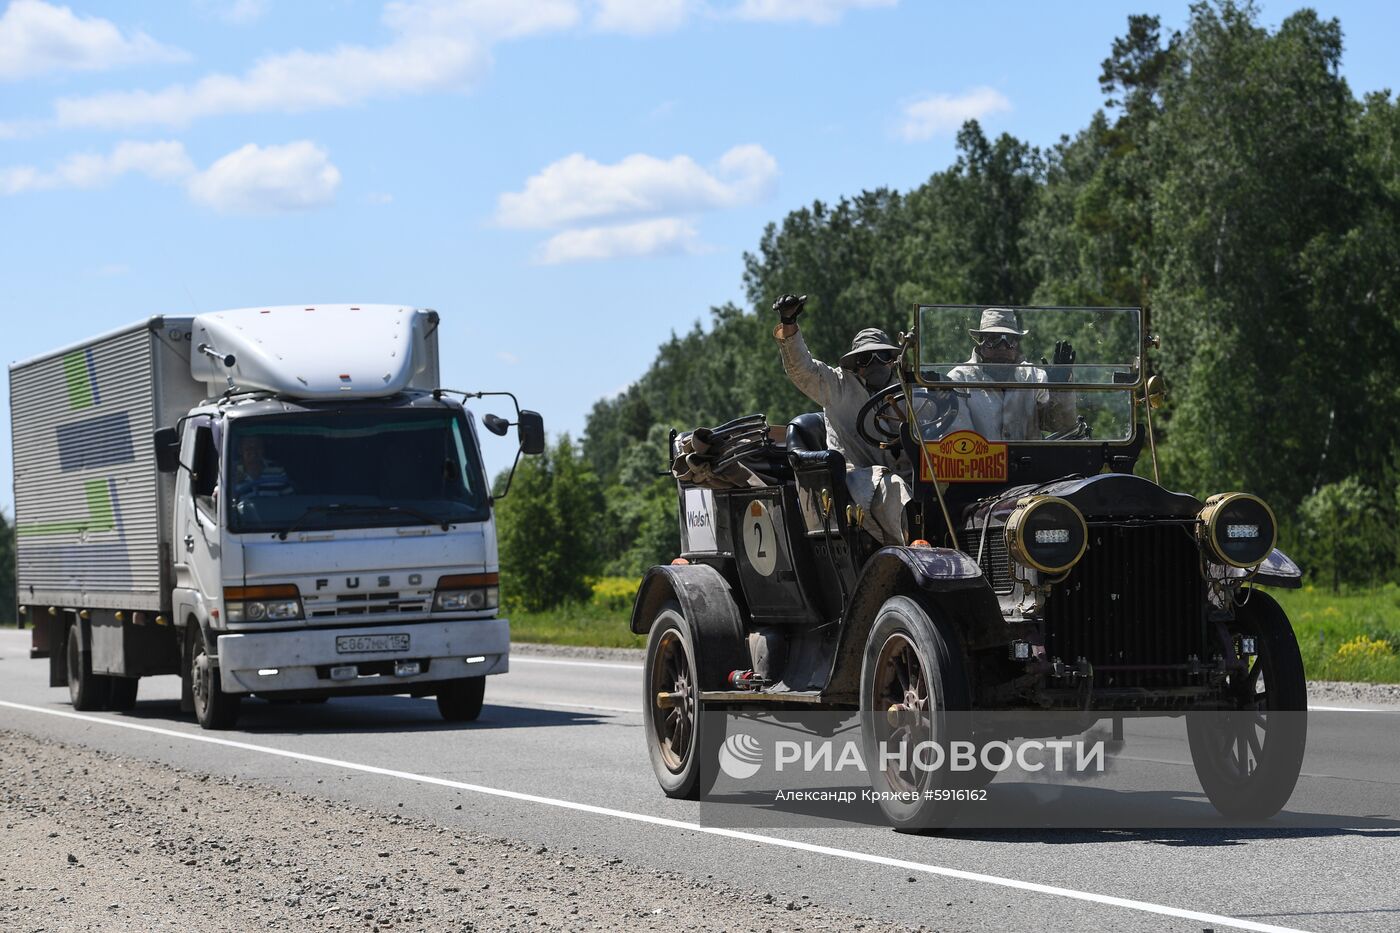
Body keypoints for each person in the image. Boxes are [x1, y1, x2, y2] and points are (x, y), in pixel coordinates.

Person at [771, 293, 912, 546]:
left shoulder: (909, 390)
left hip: (914, 474)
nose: (874, 363)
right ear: (855, 364)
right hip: (858, 480)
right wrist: (789, 323)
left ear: (893, 361)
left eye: (882, 356)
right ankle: (919, 550)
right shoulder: (837, 386)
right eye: (865, 358)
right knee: (892, 488)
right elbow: (802, 370)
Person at [943, 308, 1077, 440]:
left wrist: (1060, 388)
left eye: (1009, 340)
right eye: (994, 339)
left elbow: (1059, 424)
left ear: (1017, 344)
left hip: (1030, 461)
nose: (1002, 346)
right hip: (981, 461)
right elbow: (960, 442)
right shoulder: (958, 380)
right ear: (981, 341)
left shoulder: (1034, 377)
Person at [230, 434, 292, 499]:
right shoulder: (231, 472)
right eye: (248, 448)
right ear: (240, 450)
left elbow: (289, 499)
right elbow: (226, 500)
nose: (254, 452)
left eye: (258, 447)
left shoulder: (277, 470)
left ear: (263, 449)